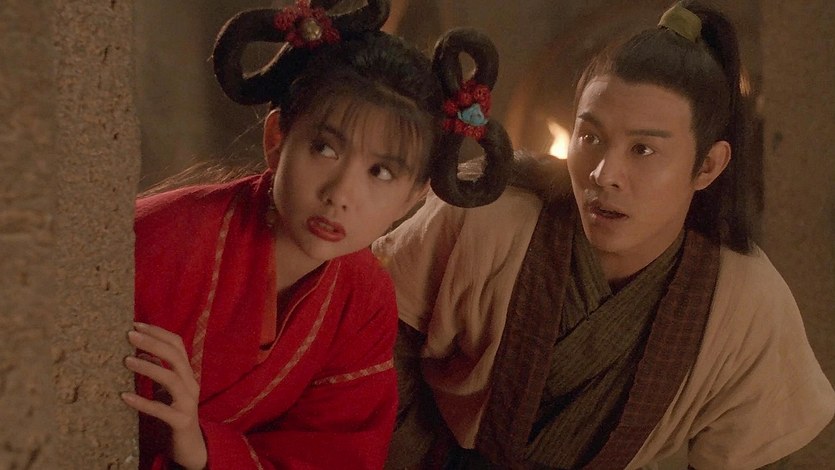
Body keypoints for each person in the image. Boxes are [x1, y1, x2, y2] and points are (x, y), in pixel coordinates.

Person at [375, 1, 835, 468]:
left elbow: (752, 453)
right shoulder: (485, 215)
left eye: (643, 150)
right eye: (591, 138)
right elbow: (370, 336)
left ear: (708, 166)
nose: (604, 174)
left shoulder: (744, 300)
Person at [120, 1, 512, 468]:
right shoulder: (151, 242)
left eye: (381, 172)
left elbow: (334, 454)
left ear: (413, 198)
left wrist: (200, 446)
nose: (340, 194)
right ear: (277, 140)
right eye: (325, 148)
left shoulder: (364, 299)